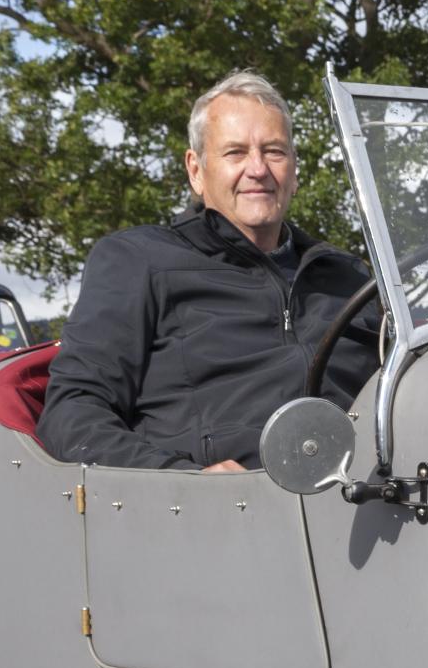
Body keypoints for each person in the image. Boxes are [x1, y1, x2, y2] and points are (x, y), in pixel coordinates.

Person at [38, 70, 378, 471]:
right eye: (235, 153)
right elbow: (72, 413)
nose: (258, 169)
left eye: (274, 151)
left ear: (294, 171)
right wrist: (185, 479)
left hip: (363, 500)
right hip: (223, 510)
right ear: (196, 170)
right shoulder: (139, 260)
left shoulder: (352, 278)